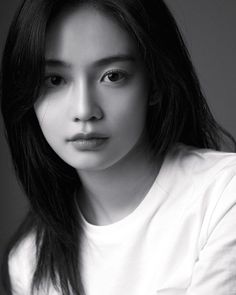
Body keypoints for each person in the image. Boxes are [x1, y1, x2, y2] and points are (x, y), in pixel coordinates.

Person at [1, 0, 236, 294]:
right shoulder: (29, 262)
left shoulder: (225, 197)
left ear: (155, 84)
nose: (84, 110)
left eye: (112, 76)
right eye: (55, 80)